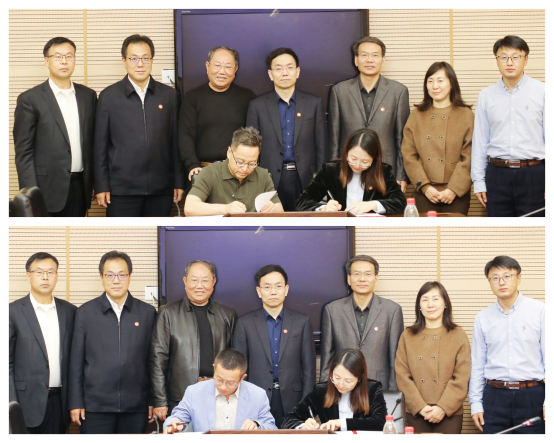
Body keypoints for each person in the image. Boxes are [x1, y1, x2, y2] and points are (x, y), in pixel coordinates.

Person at [93, 34, 184, 216]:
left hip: (161, 188)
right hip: (121, 190)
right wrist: (101, 185)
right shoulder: (108, 97)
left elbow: (176, 142)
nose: (140, 64)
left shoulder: (169, 96)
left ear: (152, 60)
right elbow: (100, 146)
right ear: (124, 61)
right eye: (134, 59)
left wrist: (178, 181)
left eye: (145, 58)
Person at [68, 251, 157, 433]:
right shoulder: (85, 312)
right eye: (110, 275)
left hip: (136, 406)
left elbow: (153, 361)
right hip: (94, 407)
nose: (116, 281)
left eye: (122, 275)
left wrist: (152, 400)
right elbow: (76, 362)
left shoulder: (147, 313)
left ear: (129, 277)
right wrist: (75, 402)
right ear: (101, 277)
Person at [13, 37, 97, 216]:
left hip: (81, 187)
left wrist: (95, 183)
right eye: (58, 56)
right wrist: (30, 195)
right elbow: (24, 152)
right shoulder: (30, 99)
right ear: (47, 61)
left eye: (69, 56)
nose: (64, 61)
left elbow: (94, 143)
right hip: (46, 190)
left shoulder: (88, 96)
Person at [150, 260, 238, 423]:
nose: (199, 286)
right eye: (194, 280)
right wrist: (160, 400)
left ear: (213, 282)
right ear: (185, 281)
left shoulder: (227, 315)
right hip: (180, 396)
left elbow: (234, 358)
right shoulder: (168, 313)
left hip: (219, 394)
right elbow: (158, 359)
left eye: (205, 280)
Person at [233, 265, 316, 427]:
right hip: (257, 399)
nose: (273, 292)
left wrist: (306, 406)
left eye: (278, 286)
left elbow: (309, 369)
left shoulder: (301, 322)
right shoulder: (245, 323)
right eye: (267, 287)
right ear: (259, 291)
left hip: (293, 399)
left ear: (286, 290)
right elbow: (239, 371)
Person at [469, 256, 545, 434]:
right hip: (494, 396)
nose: (501, 282)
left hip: (532, 395)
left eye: (507, 276)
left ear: (519, 278)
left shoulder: (541, 311)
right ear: (489, 282)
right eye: (495, 277)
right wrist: (475, 404)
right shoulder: (482, 318)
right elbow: (477, 364)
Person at [471, 36, 545, 217]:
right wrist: (479, 181)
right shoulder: (486, 95)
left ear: (526, 59)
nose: (509, 62)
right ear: (497, 60)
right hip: (497, 175)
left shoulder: (543, 92)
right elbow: (480, 141)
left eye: (515, 57)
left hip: (533, 174)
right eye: (503, 57)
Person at [246, 48, 327, 211]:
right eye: (278, 68)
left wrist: (319, 179)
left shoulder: (313, 103)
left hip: (305, 179)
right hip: (269, 179)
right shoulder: (257, 106)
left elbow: (321, 145)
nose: (284, 73)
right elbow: (250, 148)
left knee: (306, 222)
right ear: (270, 74)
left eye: (289, 67)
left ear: (297, 72)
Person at [328, 36, 410, 192]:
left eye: (375, 55)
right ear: (356, 60)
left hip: (386, 170)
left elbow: (402, 138)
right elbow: (334, 139)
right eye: (364, 55)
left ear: (383, 60)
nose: (369, 60)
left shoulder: (398, 92)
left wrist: (401, 174)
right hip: (349, 170)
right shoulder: (339, 91)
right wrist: (334, 173)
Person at [9, 253, 77, 433]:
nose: (45, 277)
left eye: (50, 272)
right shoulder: (12, 312)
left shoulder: (70, 311)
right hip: (25, 402)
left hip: (60, 401)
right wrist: (10, 403)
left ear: (57, 276)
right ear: (28, 275)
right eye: (39, 272)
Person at [395, 281, 471, 433]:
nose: (430, 304)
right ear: (419, 306)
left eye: (436, 299)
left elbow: (462, 377)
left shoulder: (458, 335)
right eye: (425, 300)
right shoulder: (407, 336)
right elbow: (402, 375)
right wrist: (420, 407)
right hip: (416, 411)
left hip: (449, 412)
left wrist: (443, 407)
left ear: (445, 303)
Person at [319, 255, 404, 389]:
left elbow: (396, 360)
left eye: (368, 274)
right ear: (349, 278)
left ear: (376, 279)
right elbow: (327, 359)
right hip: (342, 388)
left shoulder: (392, 310)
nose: (362, 279)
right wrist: (325, 392)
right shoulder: (332, 310)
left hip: (379, 388)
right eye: (356, 274)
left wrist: (392, 394)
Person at [401, 62, 474, 215]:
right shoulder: (417, 115)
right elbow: (409, 155)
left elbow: (470, 156)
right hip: (425, 192)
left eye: (440, 80)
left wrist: (454, 189)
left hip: (457, 192)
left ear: (451, 84)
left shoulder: (466, 115)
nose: (435, 86)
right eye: (430, 81)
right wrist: (425, 186)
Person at [180, 46, 256, 182]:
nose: (222, 71)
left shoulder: (247, 97)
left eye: (228, 66)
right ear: (207, 66)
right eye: (217, 65)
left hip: (238, 173)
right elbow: (185, 135)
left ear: (235, 69)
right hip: (202, 172)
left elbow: (254, 136)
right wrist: (192, 165)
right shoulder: (192, 98)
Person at [296, 128, 406, 215]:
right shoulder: (331, 170)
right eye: (353, 159)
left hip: (370, 229)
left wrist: (372, 205)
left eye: (365, 161)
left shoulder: (383, 171)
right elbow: (302, 202)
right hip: (340, 228)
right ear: (346, 153)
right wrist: (324, 208)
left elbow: (401, 202)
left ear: (374, 159)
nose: (357, 165)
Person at [163, 349, 277, 433]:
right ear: (214, 368)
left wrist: (257, 425)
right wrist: (173, 425)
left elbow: (271, 427)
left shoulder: (257, 395)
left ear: (242, 378)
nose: (223, 387)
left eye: (230, 383)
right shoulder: (194, 392)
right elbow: (177, 418)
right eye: (219, 379)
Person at [184, 127, 284, 215]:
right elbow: (190, 208)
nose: (245, 168)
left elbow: (280, 211)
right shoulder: (210, 173)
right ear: (229, 152)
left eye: (252, 163)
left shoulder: (263, 175)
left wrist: (272, 208)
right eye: (240, 162)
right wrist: (226, 209)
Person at [281, 349, 387, 431]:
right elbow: (288, 419)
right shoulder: (321, 391)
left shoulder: (372, 389)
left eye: (348, 381)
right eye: (337, 377)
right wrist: (302, 426)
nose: (341, 384)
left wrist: (342, 423)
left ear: (360, 378)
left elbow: (381, 422)